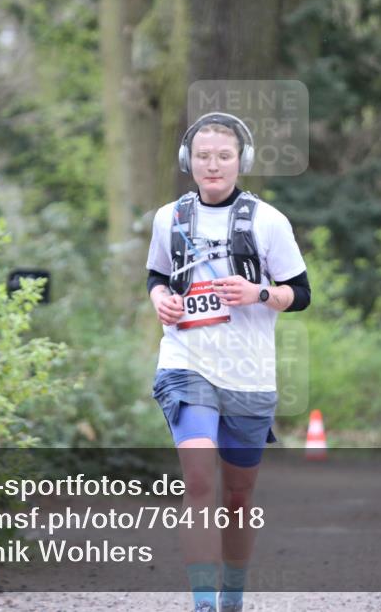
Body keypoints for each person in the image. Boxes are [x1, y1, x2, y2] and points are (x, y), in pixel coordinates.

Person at [145, 112, 311, 612]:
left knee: (237, 499)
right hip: (185, 362)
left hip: (248, 373)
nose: (212, 165)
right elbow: (155, 274)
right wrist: (160, 299)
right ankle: (201, 604)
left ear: (242, 161)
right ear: (187, 162)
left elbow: (300, 294)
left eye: (223, 156)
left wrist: (258, 292)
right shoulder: (168, 218)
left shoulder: (268, 221)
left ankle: (231, 600)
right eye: (202, 156)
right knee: (198, 481)